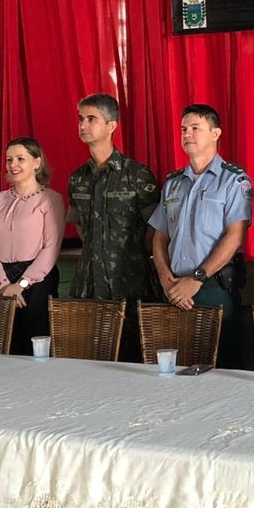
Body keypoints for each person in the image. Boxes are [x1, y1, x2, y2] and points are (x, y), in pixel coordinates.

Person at [150, 104, 253, 369]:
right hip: (173, 288)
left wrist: (196, 279)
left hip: (213, 287)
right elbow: (159, 237)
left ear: (215, 133)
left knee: (221, 366)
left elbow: (235, 237)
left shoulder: (233, 180)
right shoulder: (173, 183)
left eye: (195, 128)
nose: (187, 134)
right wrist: (165, 279)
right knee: (175, 364)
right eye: (183, 129)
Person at [66, 94, 159, 360]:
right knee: (89, 356)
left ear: (111, 126)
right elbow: (79, 225)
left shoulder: (136, 175)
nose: (83, 125)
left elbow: (155, 228)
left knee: (131, 359)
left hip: (129, 283)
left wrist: (132, 256)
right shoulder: (77, 178)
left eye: (91, 119)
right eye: (81, 119)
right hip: (88, 284)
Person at [0, 137, 65, 356]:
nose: (13, 165)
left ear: (37, 163)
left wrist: (22, 284)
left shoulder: (50, 199)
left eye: (20, 159)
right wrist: (3, 284)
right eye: (9, 159)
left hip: (37, 279)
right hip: (3, 279)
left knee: (35, 343)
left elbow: (51, 248)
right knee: (5, 343)